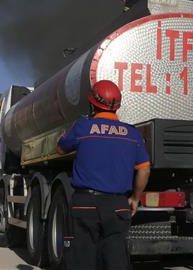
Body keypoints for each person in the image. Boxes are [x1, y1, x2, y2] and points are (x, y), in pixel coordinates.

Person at [56, 80, 151, 270]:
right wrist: (134, 198)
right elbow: (144, 169)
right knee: (116, 259)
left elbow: (60, 148)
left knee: (81, 259)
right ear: (117, 107)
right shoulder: (132, 134)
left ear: (92, 103)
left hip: (85, 205)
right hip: (118, 206)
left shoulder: (82, 128)